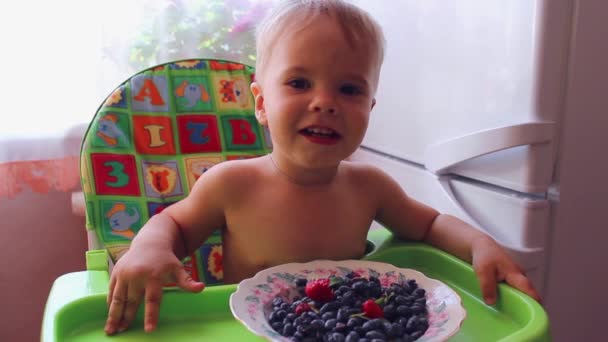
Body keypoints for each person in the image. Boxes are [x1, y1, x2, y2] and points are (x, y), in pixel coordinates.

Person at [104, 0, 541, 335]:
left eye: (349, 89)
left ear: (370, 107)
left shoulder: (370, 187)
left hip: (350, 331)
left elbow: (428, 226)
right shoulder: (231, 184)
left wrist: (480, 244)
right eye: (299, 83)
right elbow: (175, 227)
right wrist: (147, 248)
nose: (325, 102)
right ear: (261, 103)